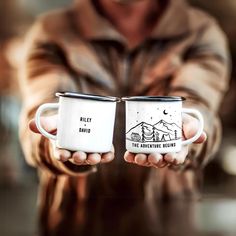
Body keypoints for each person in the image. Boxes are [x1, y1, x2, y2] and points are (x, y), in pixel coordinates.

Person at [19, 0, 230, 234]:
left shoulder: (199, 30)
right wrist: (53, 139)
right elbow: (44, 104)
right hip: (74, 220)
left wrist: (188, 135)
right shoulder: (52, 30)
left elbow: (197, 102)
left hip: (164, 221)